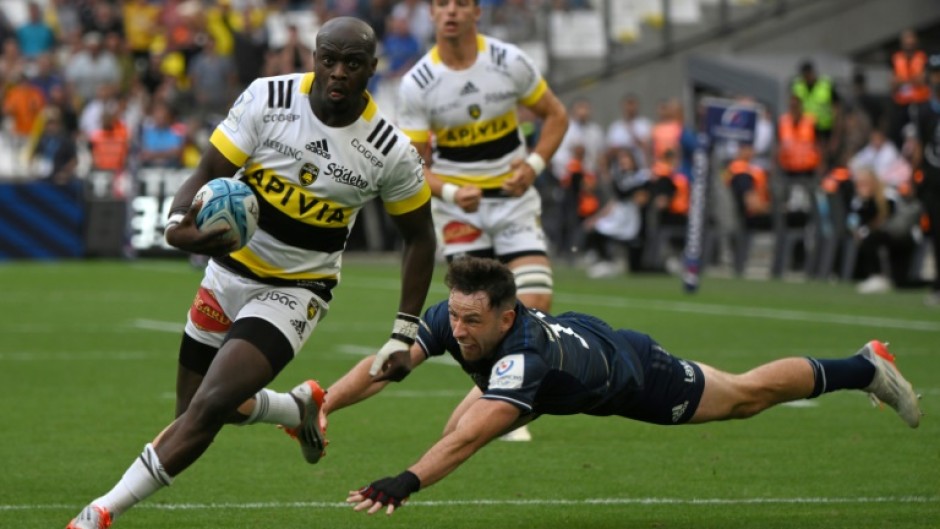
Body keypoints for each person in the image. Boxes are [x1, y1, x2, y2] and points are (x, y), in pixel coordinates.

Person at [65, 16, 437, 529]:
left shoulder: (388, 149)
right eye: (328, 59)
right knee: (194, 409)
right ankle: (296, 408)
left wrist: (404, 330)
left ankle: (97, 514)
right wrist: (179, 224)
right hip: (227, 272)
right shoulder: (269, 98)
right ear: (313, 57)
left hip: (295, 290)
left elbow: (420, 237)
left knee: (209, 407)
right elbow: (208, 172)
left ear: (372, 70)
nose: (337, 72)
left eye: (352, 64)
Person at [321, 256, 921, 516]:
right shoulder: (455, 315)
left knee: (743, 397)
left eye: (471, 322)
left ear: (507, 316)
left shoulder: (524, 357)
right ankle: (863, 365)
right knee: (462, 417)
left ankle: (864, 366)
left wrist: (405, 481)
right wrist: (324, 403)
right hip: (571, 351)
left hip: (631, 372)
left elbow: (469, 441)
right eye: (454, 317)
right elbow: (386, 364)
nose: (457, 329)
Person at [395, 0, 568, 441]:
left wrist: (533, 164)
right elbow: (414, 164)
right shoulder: (418, 82)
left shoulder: (508, 61)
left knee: (535, 301)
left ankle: (504, 399)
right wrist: (452, 191)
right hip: (459, 209)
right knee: (473, 313)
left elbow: (556, 115)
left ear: (477, 12)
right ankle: (500, 403)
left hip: (513, 201)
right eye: (441, 4)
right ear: (431, 14)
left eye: (461, 3)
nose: (450, 11)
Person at [911, 53, 940, 306]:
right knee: (935, 233)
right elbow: (920, 145)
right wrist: (915, 174)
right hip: (933, 180)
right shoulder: (924, 110)